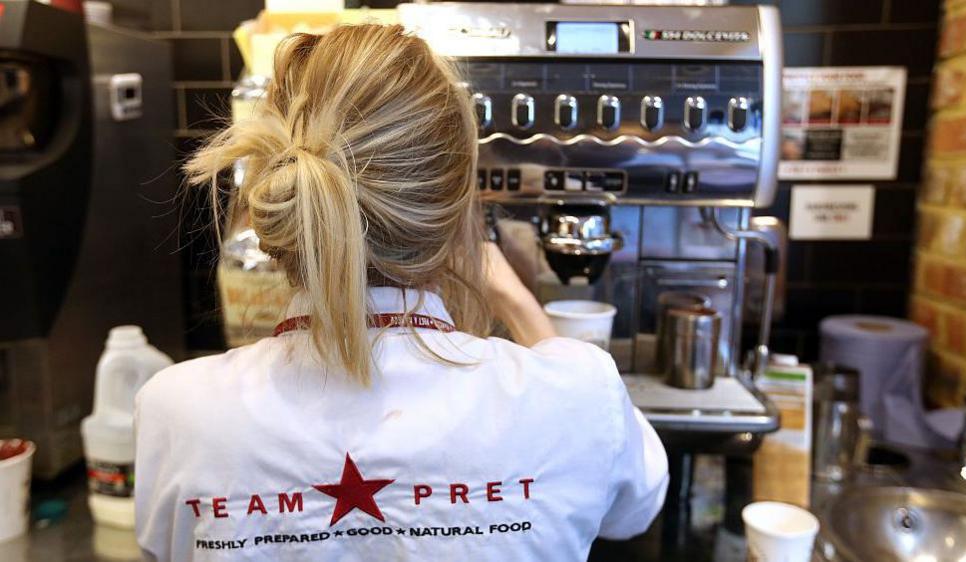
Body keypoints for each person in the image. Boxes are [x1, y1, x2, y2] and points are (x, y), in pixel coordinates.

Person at [134, 24, 668, 562]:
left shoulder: (178, 413)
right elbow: (632, 512)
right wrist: (521, 306)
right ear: (460, 210)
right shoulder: (575, 395)